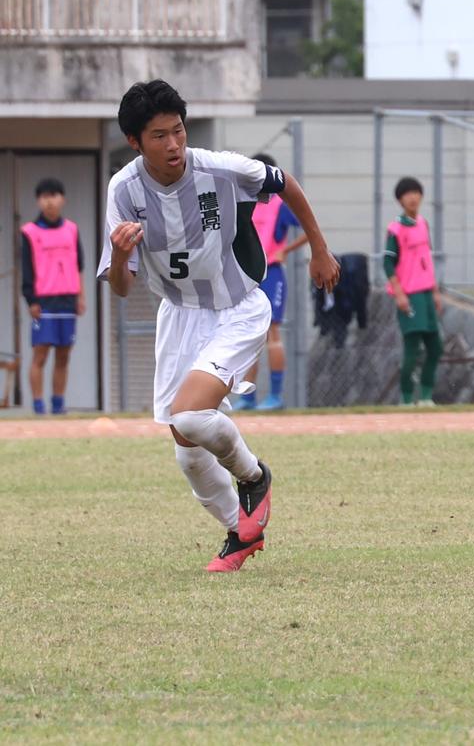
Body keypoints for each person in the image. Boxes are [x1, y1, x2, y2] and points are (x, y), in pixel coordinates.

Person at [98, 80, 339, 572]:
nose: (173, 145)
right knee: (186, 452)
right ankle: (240, 531)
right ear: (135, 142)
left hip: (238, 308)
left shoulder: (221, 168)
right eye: (160, 136)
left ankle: (254, 478)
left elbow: (284, 183)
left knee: (188, 417)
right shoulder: (123, 190)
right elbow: (121, 288)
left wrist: (319, 247)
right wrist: (121, 256)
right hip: (178, 316)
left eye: (179, 131)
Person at [234, 153, 307, 411]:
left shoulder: (279, 203)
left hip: (272, 273)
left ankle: (275, 396)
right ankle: (247, 396)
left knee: (272, 333)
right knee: (250, 336)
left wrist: (284, 251)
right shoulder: (245, 201)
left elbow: (308, 228)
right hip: (247, 275)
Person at [20, 177, 85, 415]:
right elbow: (26, 269)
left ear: (63, 199)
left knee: (64, 355)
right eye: (45, 197)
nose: (50, 201)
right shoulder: (29, 232)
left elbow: (79, 266)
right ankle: (39, 408)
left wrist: (81, 297)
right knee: (40, 354)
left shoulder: (72, 229)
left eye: (54, 195)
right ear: (38, 201)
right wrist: (31, 300)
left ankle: (58, 406)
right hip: (43, 301)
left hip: (68, 300)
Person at [385, 177, 443, 406]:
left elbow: (426, 259)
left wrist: (435, 291)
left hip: (427, 293)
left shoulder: (423, 223)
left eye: (415, 192)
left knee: (435, 347)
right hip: (410, 295)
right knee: (412, 348)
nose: (412, 197)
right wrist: (399, 293)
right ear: (400, 200)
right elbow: (388, 263)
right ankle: (407, 398)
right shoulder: (396, 229)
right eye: (406, 194)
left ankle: (427, 397)